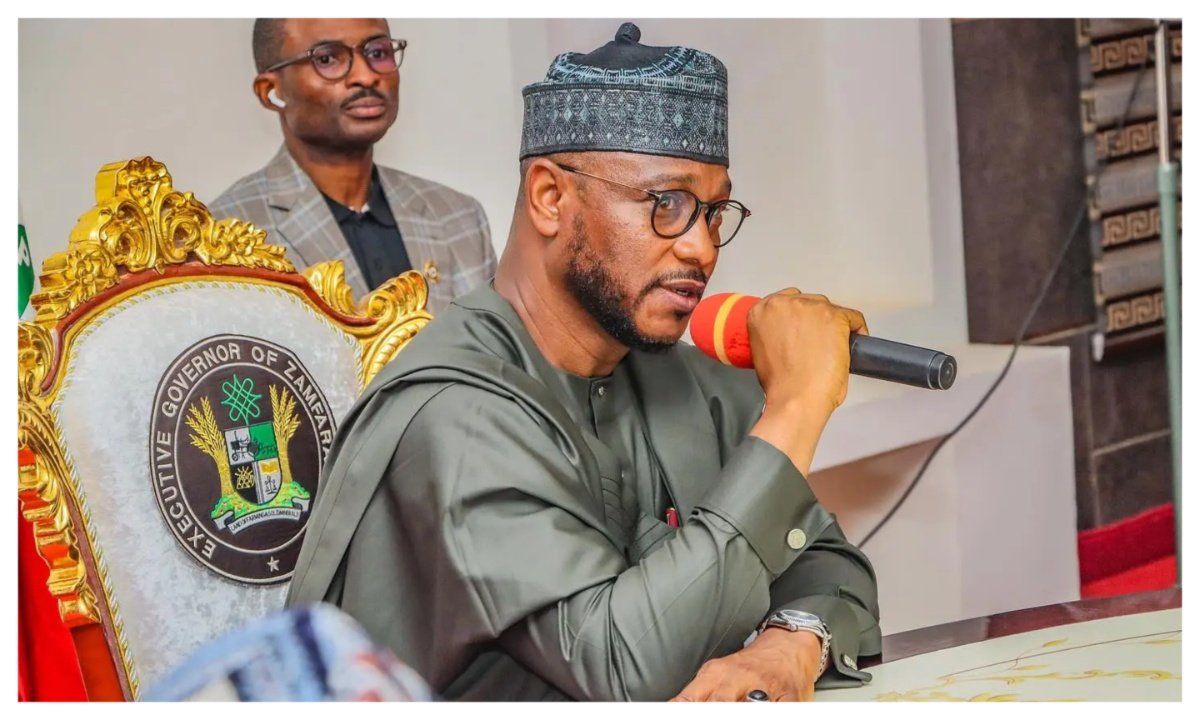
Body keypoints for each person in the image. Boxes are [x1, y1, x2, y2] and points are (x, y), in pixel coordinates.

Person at [288, 22, 881, 702]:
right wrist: (796, 407)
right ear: (550, 197)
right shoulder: (460, 418)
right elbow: (622, 670)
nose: (702, 248)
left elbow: (832, 567)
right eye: (667, 204)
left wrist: (789, 644)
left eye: (714, 212)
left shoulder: (687, 380)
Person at [210, 18, 496, 312]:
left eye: (378, 53)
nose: (366, 76)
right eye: (327, 59)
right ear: (271, 91)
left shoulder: (459, 217)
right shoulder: (224, 239)